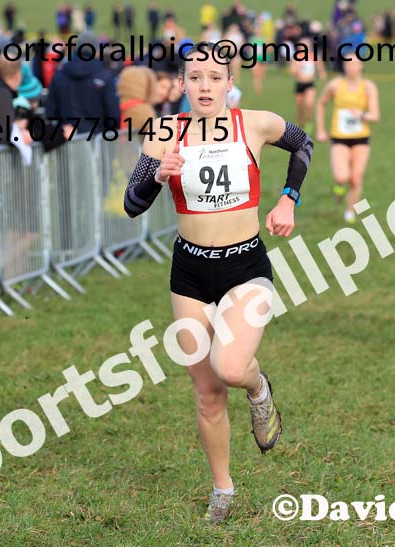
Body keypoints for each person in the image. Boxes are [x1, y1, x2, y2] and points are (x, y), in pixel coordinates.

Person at [123, 42, 313, 524]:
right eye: (196, 77)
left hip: (244, 265)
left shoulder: (255, 123)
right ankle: (222, 489)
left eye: (214, 78)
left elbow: (303, 143)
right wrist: (156, 176)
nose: (205, 86)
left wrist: (288, 198)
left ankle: (258, 390)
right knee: (206, 392)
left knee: (230, 366)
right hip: (189, 272)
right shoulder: (165, 132)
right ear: (182, 84)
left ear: (230, 84)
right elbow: (131, 202)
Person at [315, 56, 379, 223]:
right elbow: (321, 104)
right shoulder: (335, 85)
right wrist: (321, 130)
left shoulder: (368, 86)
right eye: (347, 64)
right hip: (339, 137)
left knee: (356, 178)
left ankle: (350, 211)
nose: (351, 67)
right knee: (342, 176)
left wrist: (362, 115)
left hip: (361, 137)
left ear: (361, 66)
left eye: (354, 64)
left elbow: (375, 115)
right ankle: (339, 186)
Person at [291, 36, 326, 132]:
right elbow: (292, 71)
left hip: (310, 83)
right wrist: (296, 69)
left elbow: (320, 67)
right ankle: (300, 122)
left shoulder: (313, 56)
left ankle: (309, 120)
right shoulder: (296, 57)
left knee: (309, 103)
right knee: (300, 106)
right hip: (299, 84)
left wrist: (322, 74)